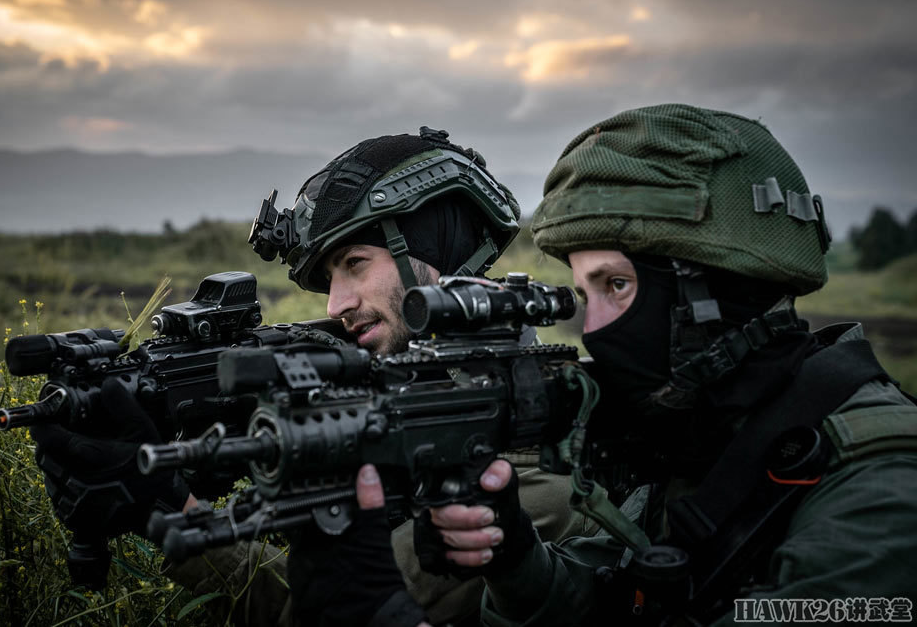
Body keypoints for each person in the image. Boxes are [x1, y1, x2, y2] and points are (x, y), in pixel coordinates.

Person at [290, 104, 917, 626]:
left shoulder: (883, 487)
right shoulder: (707, 445)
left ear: (711, 286)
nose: (593, 330)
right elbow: (605, 605)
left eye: (616, 286)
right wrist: (516, 563)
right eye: (584, 295)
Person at [31, 127, 587, 626]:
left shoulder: (524, 476)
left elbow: (315, 610)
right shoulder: (386, 389)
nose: (338, 304)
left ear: (438, 258)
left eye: (355, 263)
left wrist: (172, 509)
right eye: (329, 277)